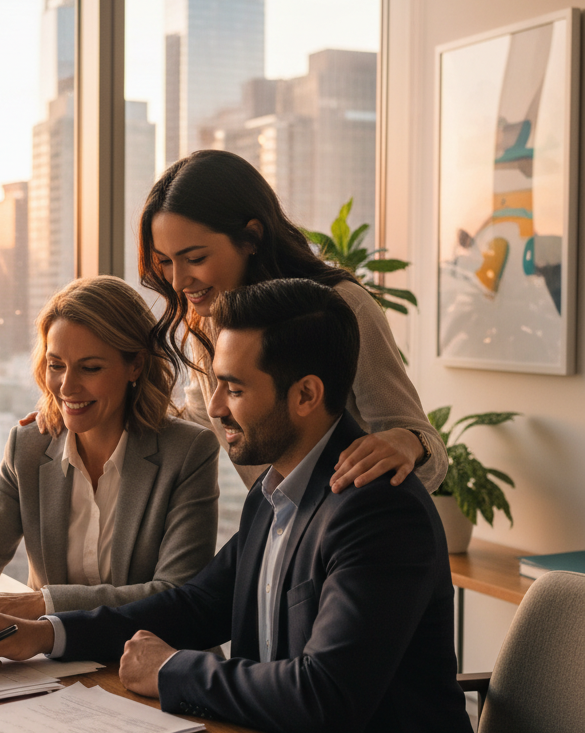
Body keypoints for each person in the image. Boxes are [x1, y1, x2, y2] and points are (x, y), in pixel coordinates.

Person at [0, 279, 488, 733]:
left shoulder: (377, 510)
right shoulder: (275, 492)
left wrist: (170, 669)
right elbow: (198, 604)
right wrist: (47, 634)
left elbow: (328, 695)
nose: (215, 408)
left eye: (234, 388)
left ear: (306, 395)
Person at [0, 275, 220, 633]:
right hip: (54, 669)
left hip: (149, 667)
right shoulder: (29, 446)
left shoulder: (188, 453)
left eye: (90, 367)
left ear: (136, 365)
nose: (67, 386)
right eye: (56, 365)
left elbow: (175, 594)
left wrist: (43, 604)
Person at [138, 149, 446, 494]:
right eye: (164, 262)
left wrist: (409, 442)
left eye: (195, 258)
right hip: (280, 532)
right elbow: (197, 421)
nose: (178, 281)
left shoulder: (340, 308)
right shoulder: (209, 320)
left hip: (345, 532)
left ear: (251, 237)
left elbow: (428, 452)